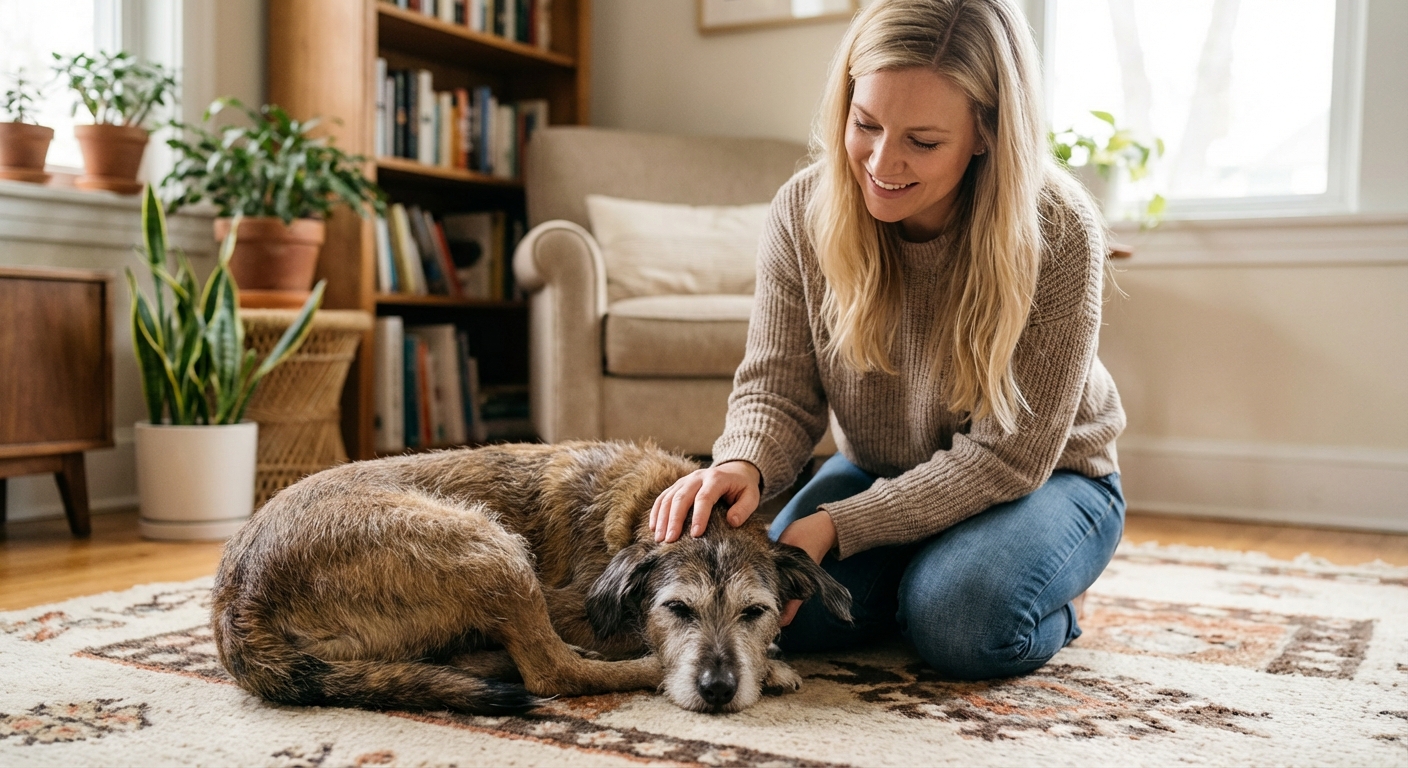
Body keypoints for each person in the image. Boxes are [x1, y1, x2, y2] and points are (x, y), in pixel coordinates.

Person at [648, 0, 1127, 681]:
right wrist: (742, 464)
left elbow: (1008, 458)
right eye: (865, 123)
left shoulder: (1059, 229)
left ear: (987, 132)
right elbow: (777, 387)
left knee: (961, 622)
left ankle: (1047, 592)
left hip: (1047, 480)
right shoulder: (802, 210)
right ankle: (921, 572)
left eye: (923, 142)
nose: (882, 161)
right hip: (884, 467)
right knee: (785, 615)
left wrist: (839, 526)